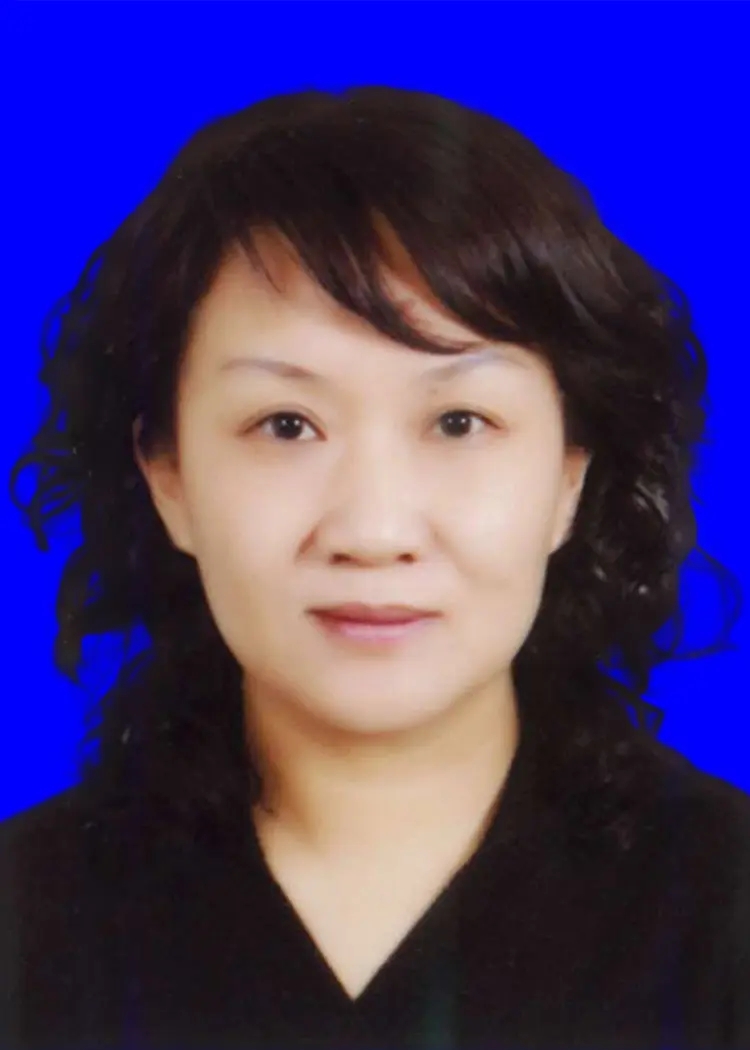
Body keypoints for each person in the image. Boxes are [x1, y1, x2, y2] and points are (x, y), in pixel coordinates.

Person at [2, 85, 749, 1050]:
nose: (374, 529)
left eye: (459, 422)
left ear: (570, 477)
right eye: (285, 425)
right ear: (169, 476)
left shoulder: (725, 913)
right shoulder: (27, 923)